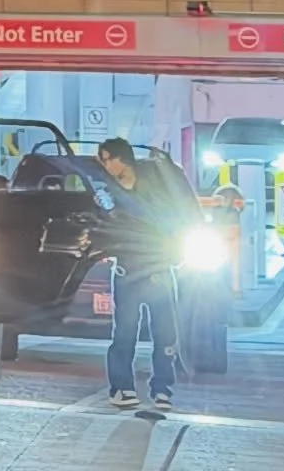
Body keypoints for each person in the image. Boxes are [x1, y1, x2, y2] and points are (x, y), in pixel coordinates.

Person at [97, 136, 188, 411]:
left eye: (105, 159)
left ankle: (162, 389)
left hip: (159, 268)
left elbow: (173, 215)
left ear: (118, 159)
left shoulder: (153, 187)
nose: (103, 165)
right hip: (128, 270)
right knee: (124, 332)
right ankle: (121, 388)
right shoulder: (107, 192)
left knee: (165, 333)